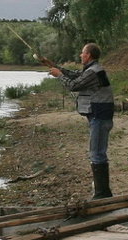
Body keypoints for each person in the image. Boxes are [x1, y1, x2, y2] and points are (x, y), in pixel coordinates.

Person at [40, 43, 115, 199]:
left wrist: (58, 75)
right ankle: (103, 193)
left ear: (88, 55)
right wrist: (53, 66)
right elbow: (75, 75)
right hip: (99, 115)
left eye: (82, 53)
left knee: (97, 153)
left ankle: (102, 195)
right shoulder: (92, 70)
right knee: (98, 152)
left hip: (99, 116)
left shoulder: (93, 72)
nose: (80, 55)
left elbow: (73, 85)